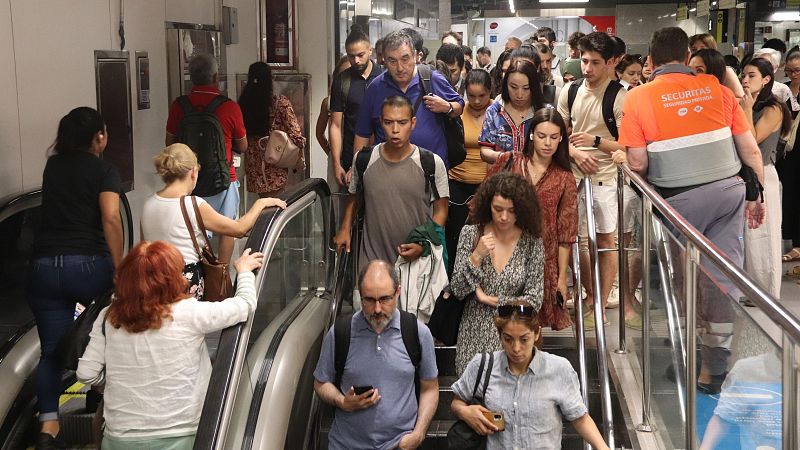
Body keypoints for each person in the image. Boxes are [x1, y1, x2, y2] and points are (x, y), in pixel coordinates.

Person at [618, 26, 765, 394]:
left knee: (680, 281)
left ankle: (686, 359)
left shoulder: (638, 98)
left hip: (678, 203)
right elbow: (751, 151)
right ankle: (714, 369)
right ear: (687, 59)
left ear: (650, 60)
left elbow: (636, 163)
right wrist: (756, 194)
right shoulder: (720, 92)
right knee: (721, 280)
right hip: (728, 194)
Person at [76, 242, 263, 449]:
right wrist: (244, 272)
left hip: (120, 436)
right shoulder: (190, 312)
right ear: (173, 277)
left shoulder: (109, 316)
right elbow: (245, 306)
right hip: (183, 434)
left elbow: (86, 373)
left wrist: (117, 379)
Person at [28, 107, 123, 450]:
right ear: (99, 137)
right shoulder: (104, 170)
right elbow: (111, 218)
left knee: (51, 352)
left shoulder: (53, 166)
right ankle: (103, 407)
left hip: (44, 269)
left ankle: (48, 426)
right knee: (111, 337)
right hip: (88, 266)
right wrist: (119, 267)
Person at [557, 31, 639, 329]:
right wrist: (575, 152)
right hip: (574, 176)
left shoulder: (621, 96)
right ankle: (590, 295)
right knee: (577, 240)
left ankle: (601, 303)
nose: (587, 68)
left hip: (607, 177)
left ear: (610, 63)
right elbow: (557, 135)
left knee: (606, 240)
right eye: (584, 60)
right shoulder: (570, 91)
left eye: (594, 62)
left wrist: (594, 142)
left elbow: (628, 146)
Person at [312, 260, 438, 450]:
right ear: (359, 296)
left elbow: (429, 388)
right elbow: (321, 382)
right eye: (369, 300)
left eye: (385, 299)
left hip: (400, 445)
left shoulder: (417, 333)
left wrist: (418, 434)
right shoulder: (341, 333)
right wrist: (343, 402)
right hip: (346, 445)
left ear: (398, 292)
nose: (377, 309)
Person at [450, 303, 610, 450]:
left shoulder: (559, 369)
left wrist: (603, 448)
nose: (516, 348)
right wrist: (466, 413)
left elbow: (579, 417)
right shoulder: (482, 365)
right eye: (508, 339)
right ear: (500, 336)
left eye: (524, 339)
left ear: (537, 333)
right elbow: (457, 403)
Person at [141, 144, 286, 299]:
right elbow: (239, 229)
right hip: (184, 282)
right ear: (193, 172)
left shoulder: (148, 204)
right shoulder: (193, 205)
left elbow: (143, 247)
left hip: (154, 280)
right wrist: (261, 203)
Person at [335, 95, 449, 272]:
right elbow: (354, 198)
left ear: (413, 123)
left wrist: (423, 244)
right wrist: (345, 228)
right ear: (381, 122)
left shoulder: (432, 163)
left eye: (402, 123)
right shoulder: (364, 159)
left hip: (417, 266)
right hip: (372, 262)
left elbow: (441, 212)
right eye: (388, 122)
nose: (395, 130)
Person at [488, 109, 577, 332]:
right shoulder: (510, 162)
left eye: (554, 137)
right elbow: (483, 204)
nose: (547, 143)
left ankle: (531, 367)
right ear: (531, 135)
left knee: (532, 325)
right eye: (541, 136)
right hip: (503, 253)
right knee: (499, 321)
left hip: (543, 261)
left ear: (561, 139)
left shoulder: (564, 178)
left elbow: (566, 232)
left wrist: (561, 279)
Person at [450, 172, 545, 375]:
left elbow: (534, 299)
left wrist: (491, 300)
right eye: (498, 209)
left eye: (511, 211)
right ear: (488, 206)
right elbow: (457, 289)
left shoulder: (531, 242)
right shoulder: (471, 234)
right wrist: (476, 257)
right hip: (473, 335)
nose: (504, 217)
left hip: (515, 338)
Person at [166, 54, 246, 265]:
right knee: (228, 228)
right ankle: (221, 275)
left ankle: (199, 272)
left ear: (191, 77)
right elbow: (243, 145)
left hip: (187, 181)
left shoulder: (179, 106)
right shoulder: (229, 107)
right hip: (223, 180)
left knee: (194, 230)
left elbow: (169, 144)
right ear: (215, 76)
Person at [353, 31, 464, 168]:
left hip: (431, 172)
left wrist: (447, 106)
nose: (400, 68)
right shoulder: (375, 88)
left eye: (405, 59)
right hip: (388, 171)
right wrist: (356, 169)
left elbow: (459, 106)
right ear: (384, 61)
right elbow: (362, 134)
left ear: (416, 56)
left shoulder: (431, 79)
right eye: (392, 61)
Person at [740, 58, 791, 299]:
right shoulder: (746, 102)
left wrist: (747, 109)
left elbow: (753, 138)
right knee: (746, 234)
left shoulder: (774, 108)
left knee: (763, 233)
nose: (745, 80)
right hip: (744, 175)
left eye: (751, 76)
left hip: (764, 173)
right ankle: (748, 287)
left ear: (766, 79)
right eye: (744, 75)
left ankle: (766, 292)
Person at [445, 69, 494, 275]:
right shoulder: (459, 112)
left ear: (490, 92)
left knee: (486, 236)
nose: (476, 101)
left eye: (481, 96)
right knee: (456, 236)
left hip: (488, 183)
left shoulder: (498, 112)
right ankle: (457, 280)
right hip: (457, 181)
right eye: (471, 96)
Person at [239, 61, 306, 198]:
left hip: (254, 168)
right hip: (275, 161)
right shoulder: (280, 103)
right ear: (270, 80)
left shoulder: (243, 105)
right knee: (277, 208)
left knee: (264, 204)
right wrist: (298, 155)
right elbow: (296, 135)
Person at [329, 29, 381, 191]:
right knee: (349, 210)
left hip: (381, 158)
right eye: (351, 56)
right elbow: (335, 126)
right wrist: (336, 164)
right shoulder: (342, 81)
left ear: (370, 51)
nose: (356, 60)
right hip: (349, 161)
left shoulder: (384, 77)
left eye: (360, 55)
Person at [480, 60, 546, 164]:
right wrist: (505, 157)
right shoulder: (494, 111)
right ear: (506, 85)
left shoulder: (544, 113)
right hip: (502, 177)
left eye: (526, 88)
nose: (519, 95)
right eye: (514, 87)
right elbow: (485, 151)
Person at [780, 51, 800, 263]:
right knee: (789, 194)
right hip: (787, 150)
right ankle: (790, 236)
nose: (793, 75)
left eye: (797, 71)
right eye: (789, 71)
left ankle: (798, 244)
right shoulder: (784, 89)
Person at [316, 56, 351, 172]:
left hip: (357, 158)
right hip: (337, 161)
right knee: (334, 190)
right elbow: (319, 133)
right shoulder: (328, 102)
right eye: (343, 74)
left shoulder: (364, 100)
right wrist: (332, 154)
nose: (347, 79)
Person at [688, 34, 745, 98]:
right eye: (694, 49)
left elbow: (741, 98)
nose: (698, 51)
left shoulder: (726, 71)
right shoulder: (688, 71)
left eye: (703, 48)